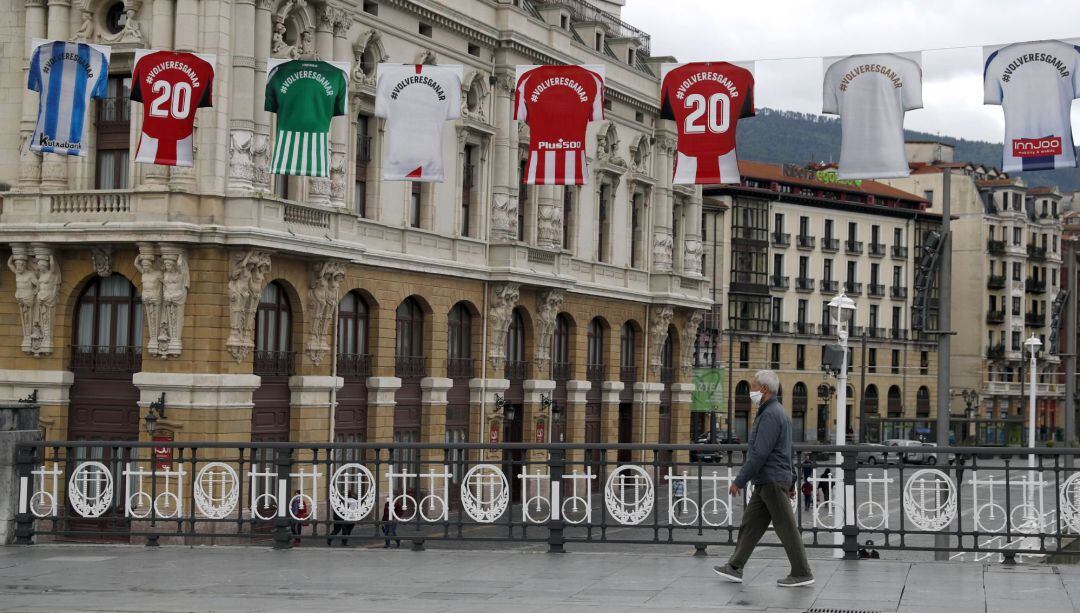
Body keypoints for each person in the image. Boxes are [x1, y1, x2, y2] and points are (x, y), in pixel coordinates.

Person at [714, 370, 813, 588]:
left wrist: (739, 481)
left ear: (764, 389)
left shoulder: (770, 415)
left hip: (771, 480)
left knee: (786, 528)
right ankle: (735, 566)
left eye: (753, 387)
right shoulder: (778, 412)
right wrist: (792, 480)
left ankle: (802, 572)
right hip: (768, 480)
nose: (751, 391)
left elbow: (759, 453)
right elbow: (787, 450)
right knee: (750, 525)